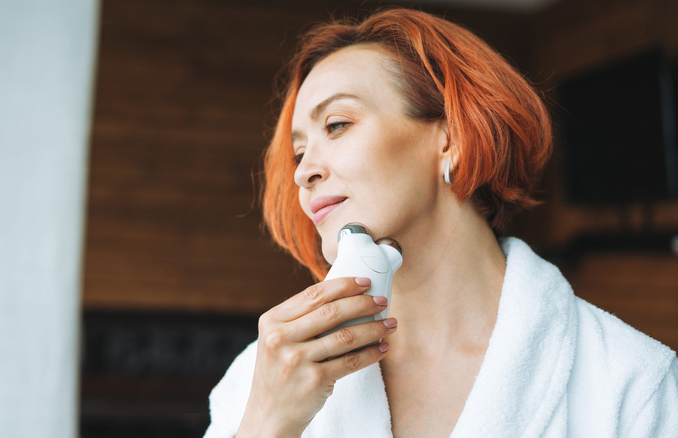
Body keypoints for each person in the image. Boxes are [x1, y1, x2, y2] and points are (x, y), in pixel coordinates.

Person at [204, 8, 678, 437]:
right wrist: (267, 423)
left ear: (451, 135)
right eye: (299, 152)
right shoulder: (260, 381)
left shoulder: (633, 386)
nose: (303, 171)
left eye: (337, 125)